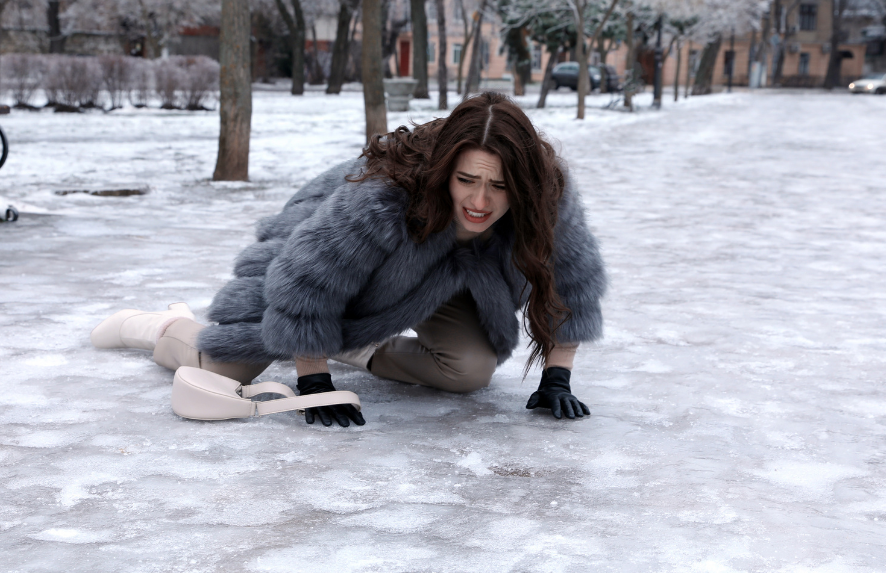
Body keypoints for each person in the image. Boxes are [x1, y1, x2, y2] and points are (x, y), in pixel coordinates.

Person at [91, 92, 606, 427]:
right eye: (466, 180)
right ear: (444, 171)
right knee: (223, 364)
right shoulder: (382, 197)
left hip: (446, 279)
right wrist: (313, 379)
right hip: (326, 258)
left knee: (469, 370)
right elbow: (306, 282)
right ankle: (160, 325)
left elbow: (574, 286)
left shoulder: (549, 197)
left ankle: (348, 344)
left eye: (499, 186)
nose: (480, 201)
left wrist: (556, 376)